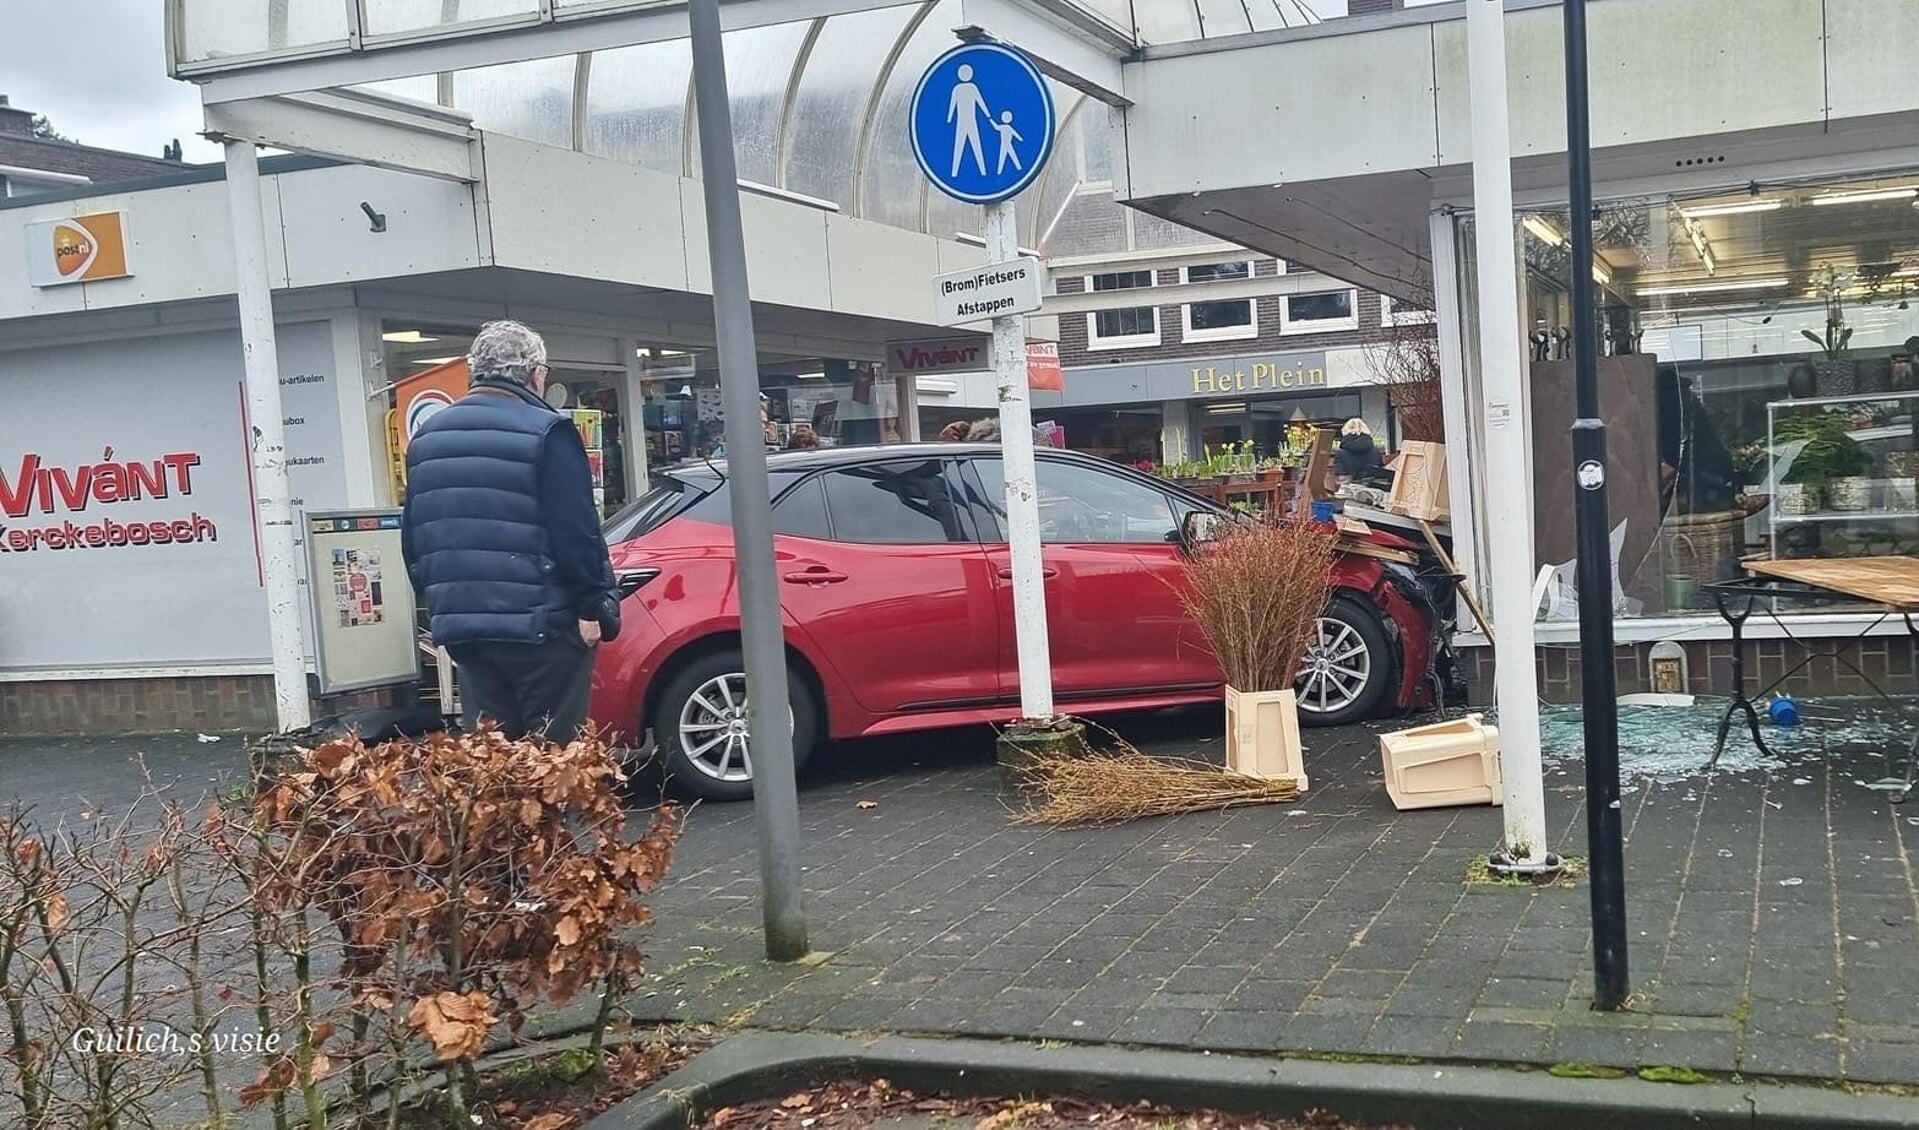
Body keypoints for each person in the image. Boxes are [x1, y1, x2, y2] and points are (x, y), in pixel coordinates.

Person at [402, 320, 620, 744]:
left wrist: (442, 604)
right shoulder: (547, 431)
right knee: (554, 765)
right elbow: (576, 534)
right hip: (542, 625)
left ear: (475, 372)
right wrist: (594, 609)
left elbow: (414, 539)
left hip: (465, 627)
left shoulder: (428, 437)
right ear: (536, 374)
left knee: (491, 762)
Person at [1334, 418, 1389, 486]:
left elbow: (1342, 479)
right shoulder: (1376, 452)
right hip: (1373, 490)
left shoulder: (1340, 454)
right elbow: (1380, 476)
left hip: (1350, 491)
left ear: (1344, 431)